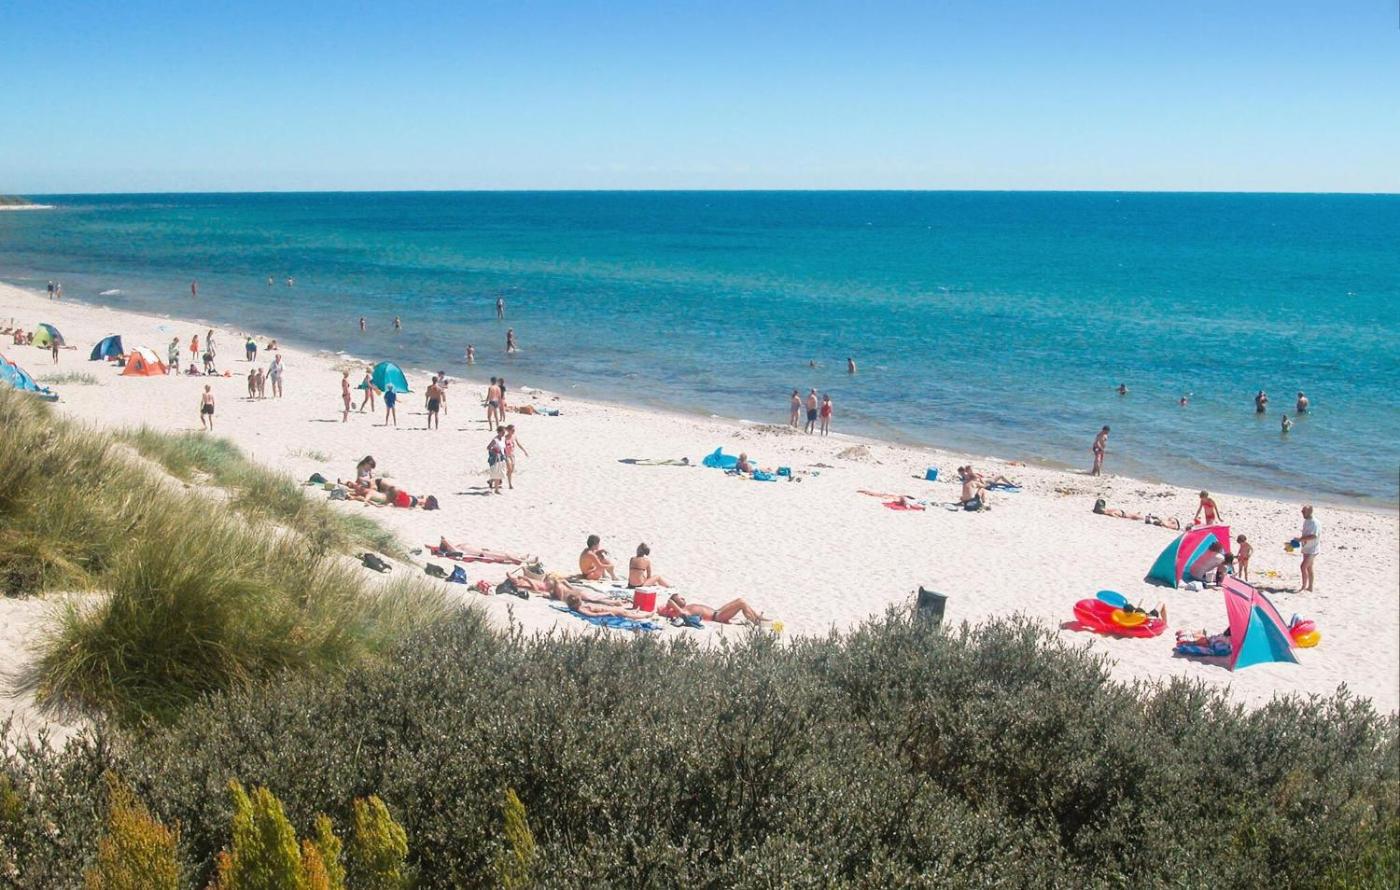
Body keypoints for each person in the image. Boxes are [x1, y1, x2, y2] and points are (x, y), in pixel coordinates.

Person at [658, 593, 766, 626]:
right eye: (680, 598)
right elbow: (669, 602)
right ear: (676, 603)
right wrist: (670, 604)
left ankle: (758, 617)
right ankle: (756, 621)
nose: (683, 598)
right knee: (741, 603)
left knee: (740, 600)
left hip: (717, 611)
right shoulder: (683, 611)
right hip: (717, 616)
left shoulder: (686, 608)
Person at [1297, 505, 1320, 592]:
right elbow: (1306, 534)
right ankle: (1310, 587)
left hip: (1312, 550)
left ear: (1309, 512)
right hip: (1306, 548)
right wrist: (1299, 540)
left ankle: (1303, 587)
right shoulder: (1306, 521)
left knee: (1303, 567)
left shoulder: (1314, 523)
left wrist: (1300, 539)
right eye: (1302, 511)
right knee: (1309, 568)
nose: (1302, 512)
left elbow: (1313, 536)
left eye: (1304, 511)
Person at [504, 424, 528, 488]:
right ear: (508, 430)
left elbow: (518, 444)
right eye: (512, 430)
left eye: (514, 430)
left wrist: (524, 451)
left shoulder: (514, 436)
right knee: (509, 469)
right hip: (505, 455)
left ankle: (492, 480)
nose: (514, 431)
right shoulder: (505, 437)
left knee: (512, 470)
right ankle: (510, 485)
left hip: (512, 455)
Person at [486, 426, 507, 494]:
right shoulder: (495, 440)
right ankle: (496, 490)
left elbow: (504, 448)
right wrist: (495, 451)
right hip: (496, 458)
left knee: (500, 473)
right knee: (497, 474)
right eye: (502, 432)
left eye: (504, 432)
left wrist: (505, 455)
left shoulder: (503, 439)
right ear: (499, 432)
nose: (504, 433)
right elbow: (488, 447)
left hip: (502, 457)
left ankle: (491, 482)